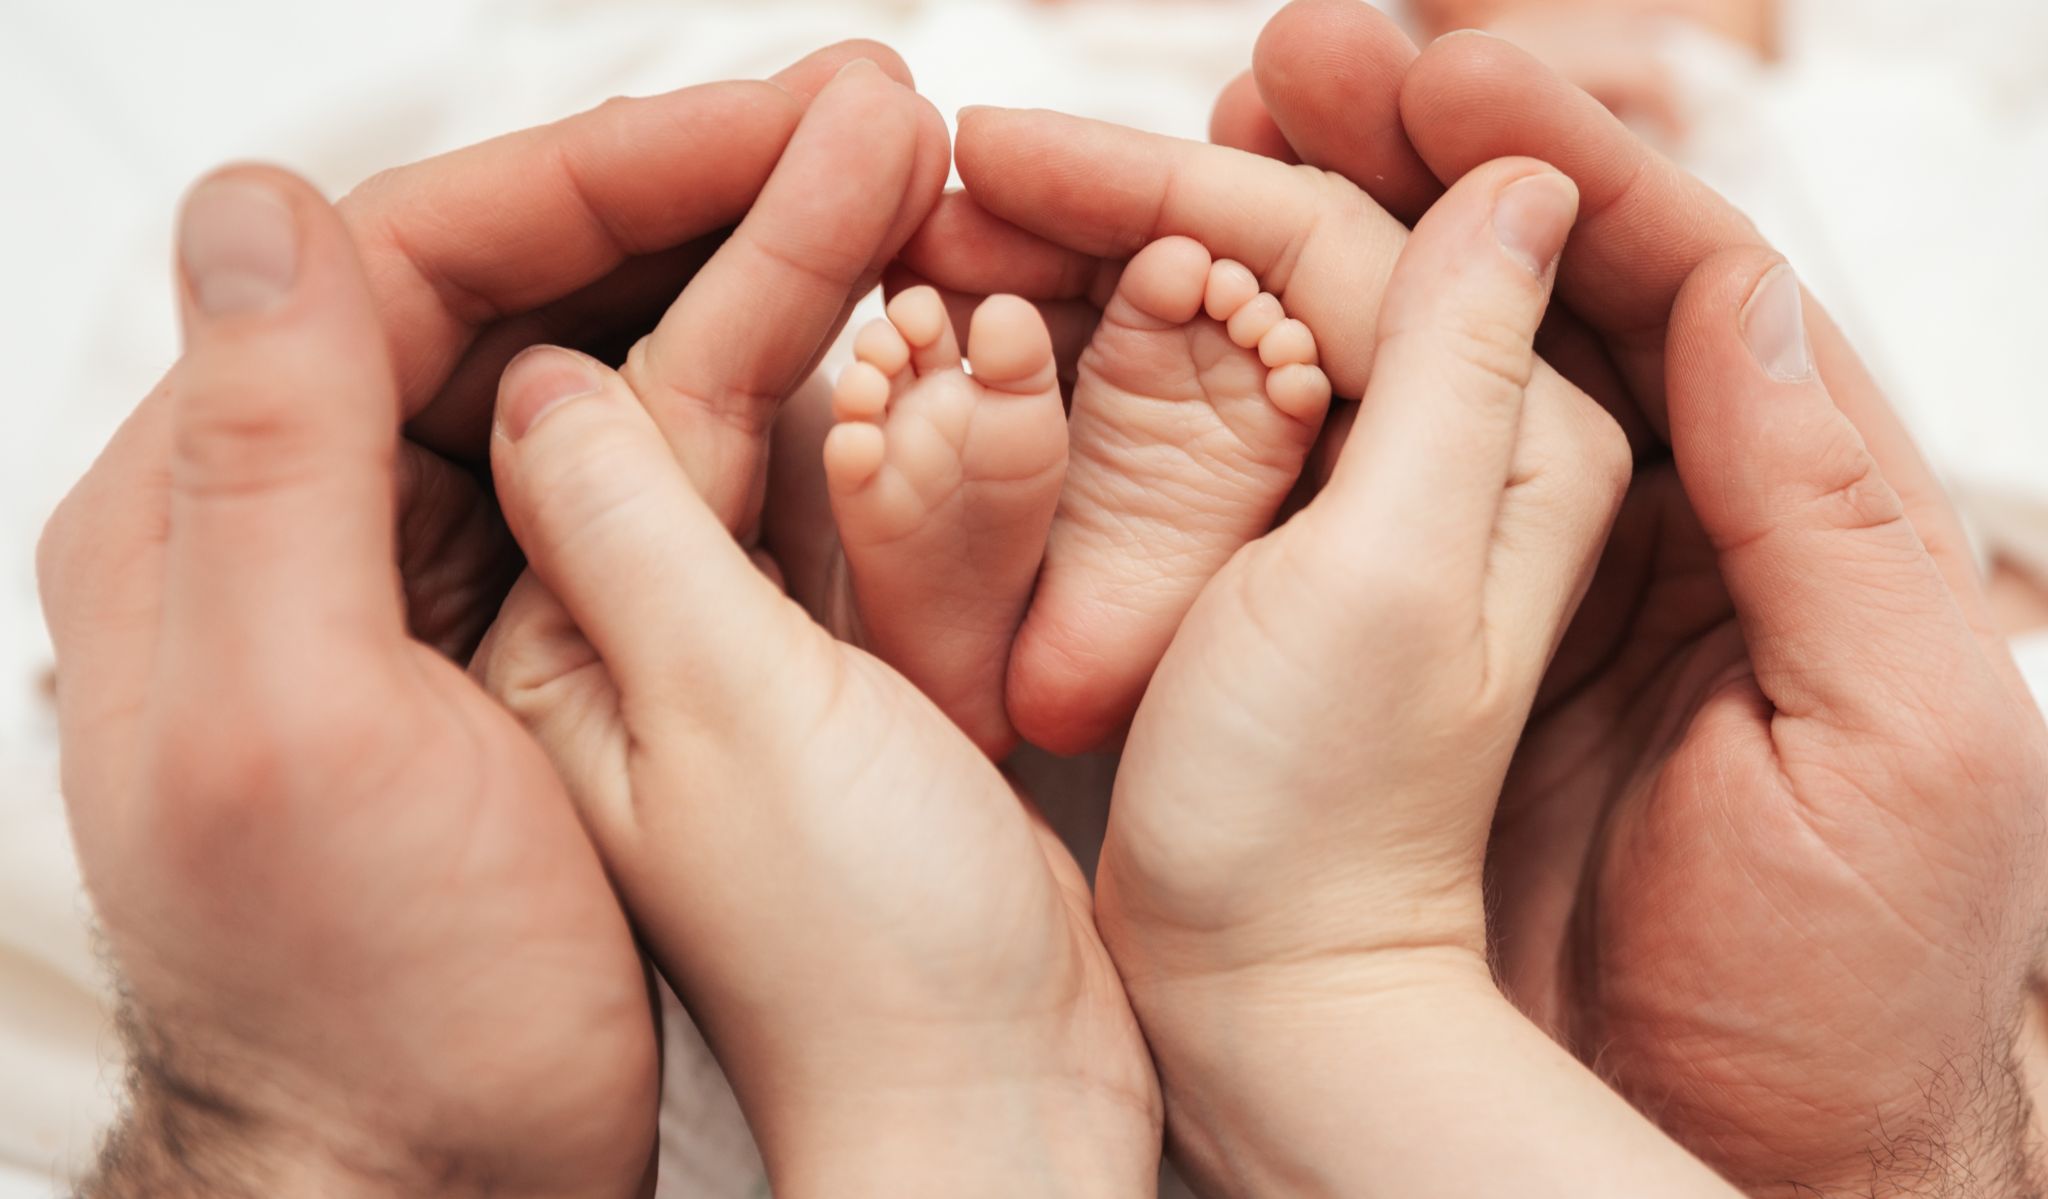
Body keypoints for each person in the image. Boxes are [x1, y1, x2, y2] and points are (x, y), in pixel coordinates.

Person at [34, 7, 2047, 1199]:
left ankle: (910, 607)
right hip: (1451, 947)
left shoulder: (1861, 141)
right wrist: (1906, 1148)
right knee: (1501, 398)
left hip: (795, 969)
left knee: (742, 398)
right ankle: (997, 592)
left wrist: (324, 1140)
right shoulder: (1841, 175)